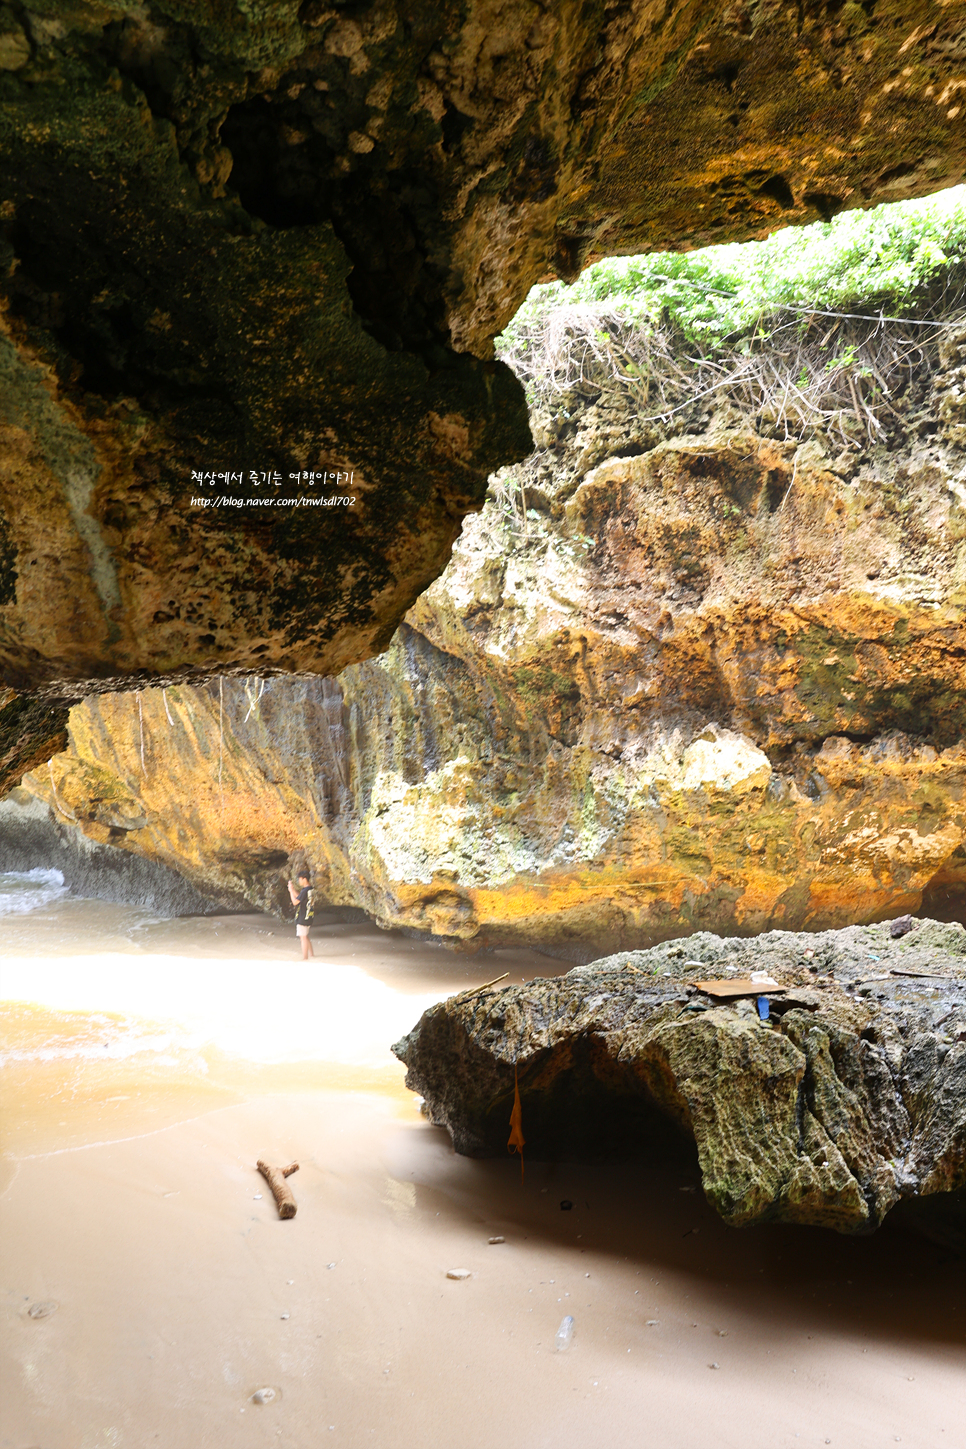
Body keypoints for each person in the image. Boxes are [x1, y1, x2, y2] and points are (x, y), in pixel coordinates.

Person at [287, 871, 315, 960]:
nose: (299, 881)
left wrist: (291, 891)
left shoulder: (305, 890)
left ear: (304, 879)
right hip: (309, 916)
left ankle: (305, 958)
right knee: (305, 936)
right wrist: (293, 889)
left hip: (303, 917)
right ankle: (312, 955)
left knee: (303, 938)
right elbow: (300, 897)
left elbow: (295, 902)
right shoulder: (310, 889)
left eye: (300, 879)